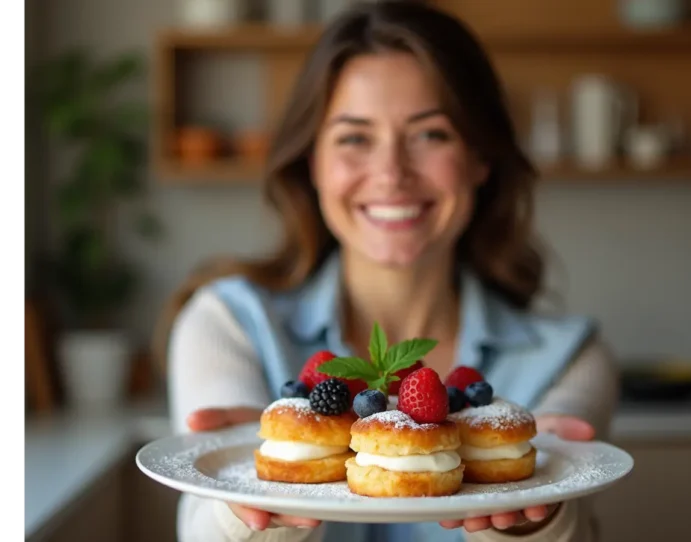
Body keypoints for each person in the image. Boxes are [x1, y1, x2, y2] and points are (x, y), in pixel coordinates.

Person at [152, 2, 619, 541]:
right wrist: (246, 506)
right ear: (313, 162)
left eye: (430, 134)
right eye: (354, 137)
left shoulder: (570, 358)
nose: (392, 173)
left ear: (480, 158)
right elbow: (200, 534)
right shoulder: (226, 324)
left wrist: (538, 515)